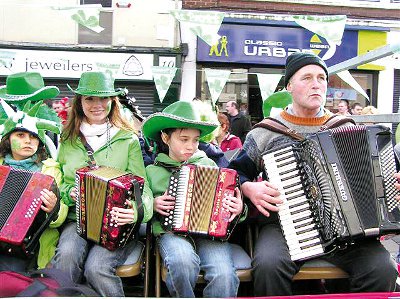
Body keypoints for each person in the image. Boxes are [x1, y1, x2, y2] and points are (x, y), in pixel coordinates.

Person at [229, 52, 398, 296]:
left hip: (347, 232)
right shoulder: (265, 132)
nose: (316, 83)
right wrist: (248, 187)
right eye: (306, 77)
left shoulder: (346, 127)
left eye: (321, 78)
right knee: (268, 265)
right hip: (285, 226)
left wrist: (392, 189)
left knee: (383, 268)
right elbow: (235, 173)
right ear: (289, 85)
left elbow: (380, 178)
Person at [51, 71, 153, 297]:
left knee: (96, 268)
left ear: (112, 101)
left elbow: (142, 188)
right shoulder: (67, 140)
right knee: (66, 259)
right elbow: (62, 185)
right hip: (76, 220)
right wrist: (71, 194)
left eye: (103, 98)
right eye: (89, 98)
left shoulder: (127, 139)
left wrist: (135, 213)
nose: (97, 104)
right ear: (80, 102)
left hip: (117, 222)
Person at [142, 100, 244, 298]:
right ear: (165, 137)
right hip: (170, 232)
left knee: (223, 274)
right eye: (183, 139)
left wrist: (237, 208)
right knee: (181, 262)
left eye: (195, 140)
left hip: (209, 234)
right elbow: (143, 207)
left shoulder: (209, 165)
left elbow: (227, 205)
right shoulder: (152, 171)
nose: (191, 146)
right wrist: (153, 204)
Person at [0, 100, 67, 271]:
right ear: (8, 140)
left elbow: (57, 221)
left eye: (33, 137)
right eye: (20, 136)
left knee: (11, 274)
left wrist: (54, 208)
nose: (28, 141)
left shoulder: (50, 171)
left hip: (29, 246)